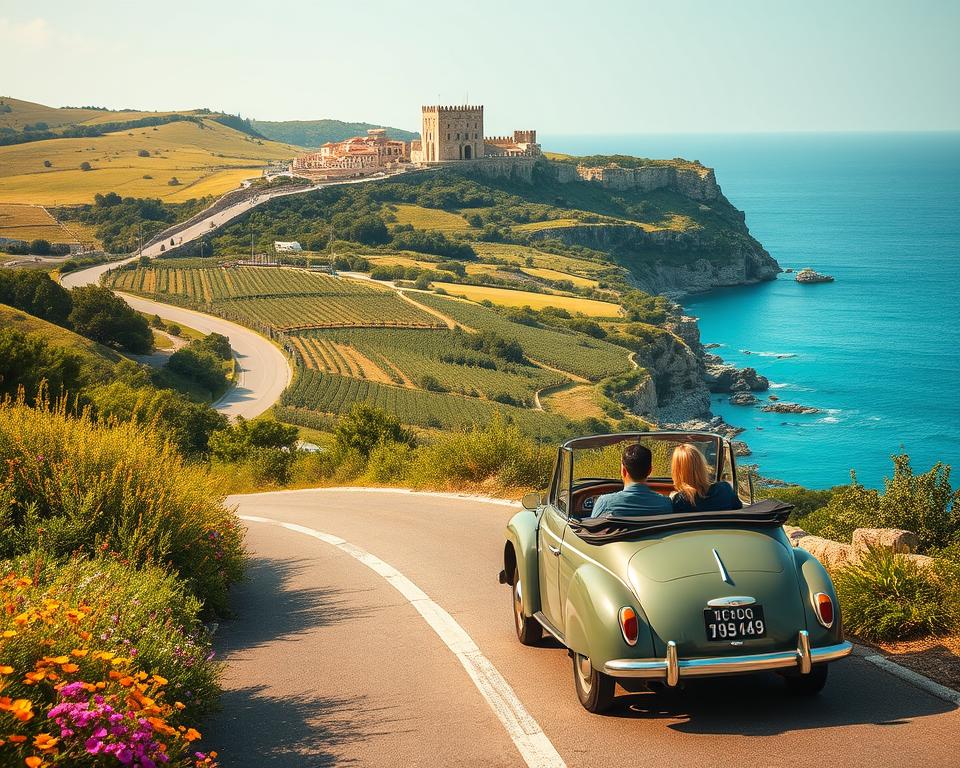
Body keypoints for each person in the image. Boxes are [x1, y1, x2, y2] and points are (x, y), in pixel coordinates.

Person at [589, 444, 673, 518]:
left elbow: (592, 530)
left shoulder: (605, 503)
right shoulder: (666, 504)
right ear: (650, 470)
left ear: (623, 471)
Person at [670, 444, 743, 512]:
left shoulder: (678, 501)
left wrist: (672, 498)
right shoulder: (725, 489)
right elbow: (739, 510)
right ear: (702, 465)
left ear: (677, 471)